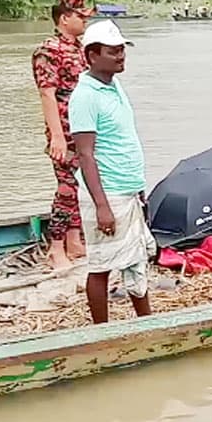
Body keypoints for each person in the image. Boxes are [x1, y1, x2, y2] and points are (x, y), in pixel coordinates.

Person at [68, 20, 154, 324]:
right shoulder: (85, 96)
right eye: (113, 51)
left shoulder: (112, 85)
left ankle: (145, 320)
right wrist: (102, 206)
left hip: (126, 189)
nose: (121, 56)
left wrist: (138, 185)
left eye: (122, 50)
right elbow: (85, 154)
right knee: (102, 264)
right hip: (106, 193)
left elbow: (122, 139)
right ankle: (101, 330)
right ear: (92, 56)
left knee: (135, 259)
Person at [31, 0, 94, 269]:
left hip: (84, 129)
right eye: (81, 17)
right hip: (64, 131)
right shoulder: (48, 50)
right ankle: (56, 248)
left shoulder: (81, 48)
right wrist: (56, 136)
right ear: (64, 18)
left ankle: (74, 241)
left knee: (81, 185)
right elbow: (47, 93)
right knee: (67, 189)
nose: (85, 22)